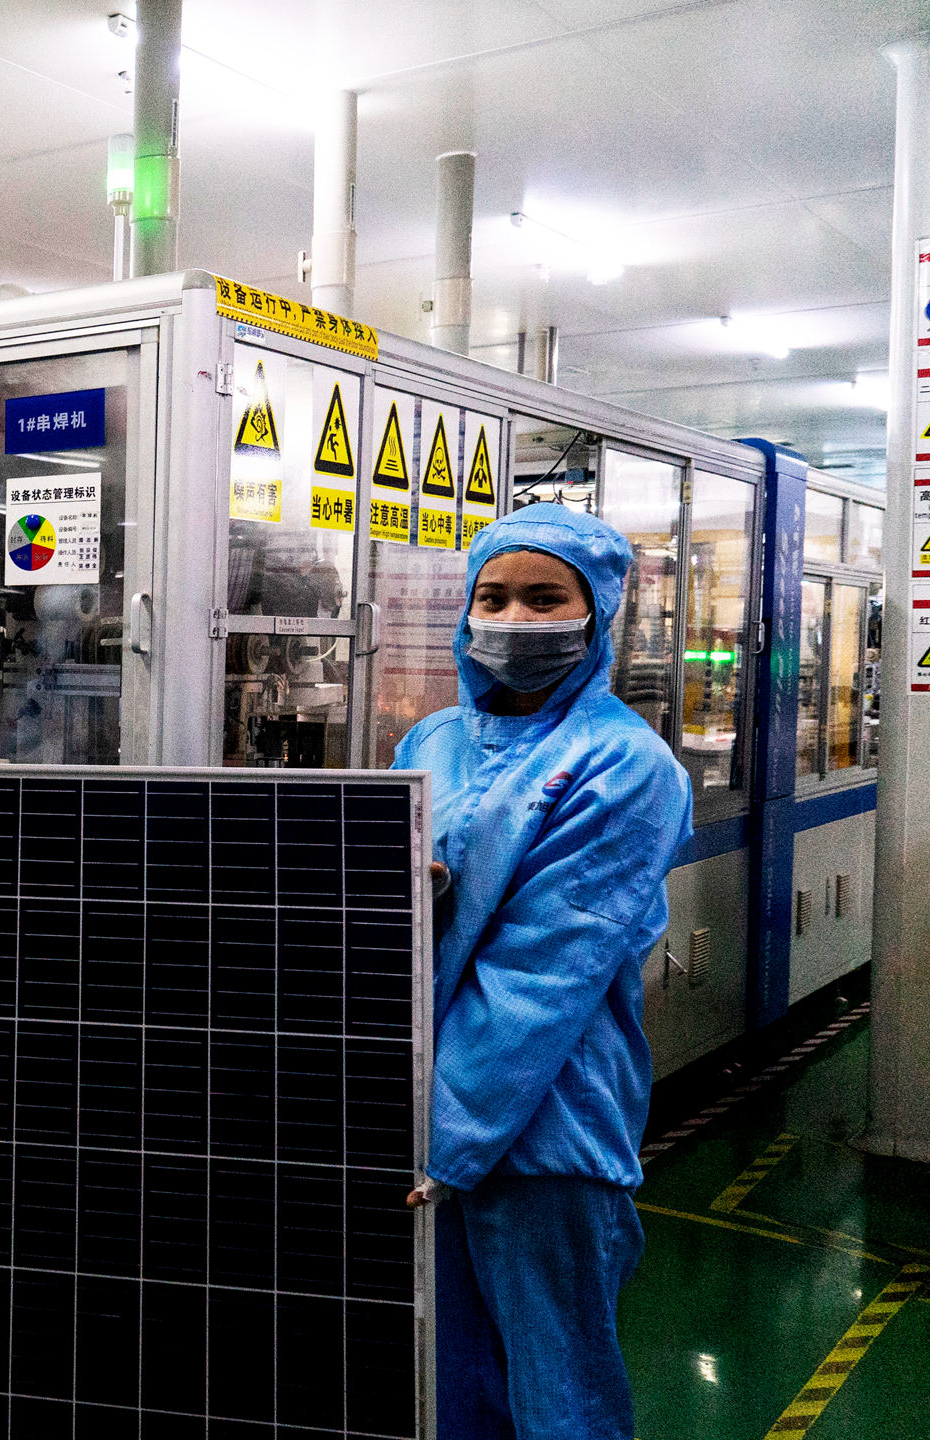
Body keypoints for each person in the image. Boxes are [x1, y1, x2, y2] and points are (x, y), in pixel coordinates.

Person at [394, 503, 691, 1440]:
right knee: (447, 1383)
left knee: (556, 1388)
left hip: (547, 1123)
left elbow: (543, 976)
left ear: (595, 612)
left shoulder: (626, 764)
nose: (514, 619)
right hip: (426, 1109)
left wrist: (444, 1142)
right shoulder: (432, 742)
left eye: (544, 598)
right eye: (493, 597)